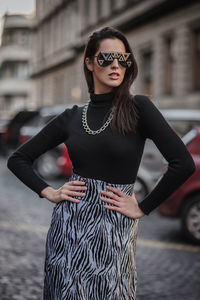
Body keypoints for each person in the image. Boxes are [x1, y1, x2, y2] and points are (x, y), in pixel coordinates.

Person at [7, 26, 196, 300]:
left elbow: (183, 163)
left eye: (123, 59)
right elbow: (18, 159)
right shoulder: (71, 117)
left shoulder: (139, 108)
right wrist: (50, 192)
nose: (116, 65)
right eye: (107, 58)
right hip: (68, 228)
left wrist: (143, 206)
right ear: (90, 63)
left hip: (113, 227)